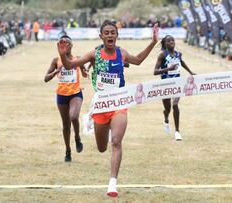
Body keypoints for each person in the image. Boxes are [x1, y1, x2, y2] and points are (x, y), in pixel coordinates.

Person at [57, 20, 159, 197]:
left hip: (119, 103)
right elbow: (69, 66)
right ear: (101, 36)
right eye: (107, 33)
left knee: (116, 142)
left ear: (117, 35)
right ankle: (100, 125)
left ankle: (112, 184)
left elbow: (139, 60)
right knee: (102, 148)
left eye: (113, 32)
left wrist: (153, 42)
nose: (110, 35)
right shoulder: (95, 54)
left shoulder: (122, 54)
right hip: (101, 105)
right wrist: (64, 55)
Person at [44, 35, 87, 162]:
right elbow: (45, 78)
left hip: (75, 93)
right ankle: (68, 150)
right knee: (66, 125)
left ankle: (77, 138)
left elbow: (84, 73)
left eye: (67, 44)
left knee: (74, 116)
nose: (65, 46)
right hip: (62, 95)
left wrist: (85, 72)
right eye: (62, 44)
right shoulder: (56, 60)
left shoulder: (77, 59)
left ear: (71, 46)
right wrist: (55, 72)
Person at [154, 35, 195, 141]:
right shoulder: (162, 55)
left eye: (172, 40)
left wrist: (190, 72)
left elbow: (181, 62)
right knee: (167, 109)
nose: (171, 42)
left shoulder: (178, 54)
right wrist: (168, 68)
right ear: (165, 44)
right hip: (165, 84)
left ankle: (177, 132)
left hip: (177, 83)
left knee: (175, 105)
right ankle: (166, 117)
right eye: (168, 41)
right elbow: (155, 71)